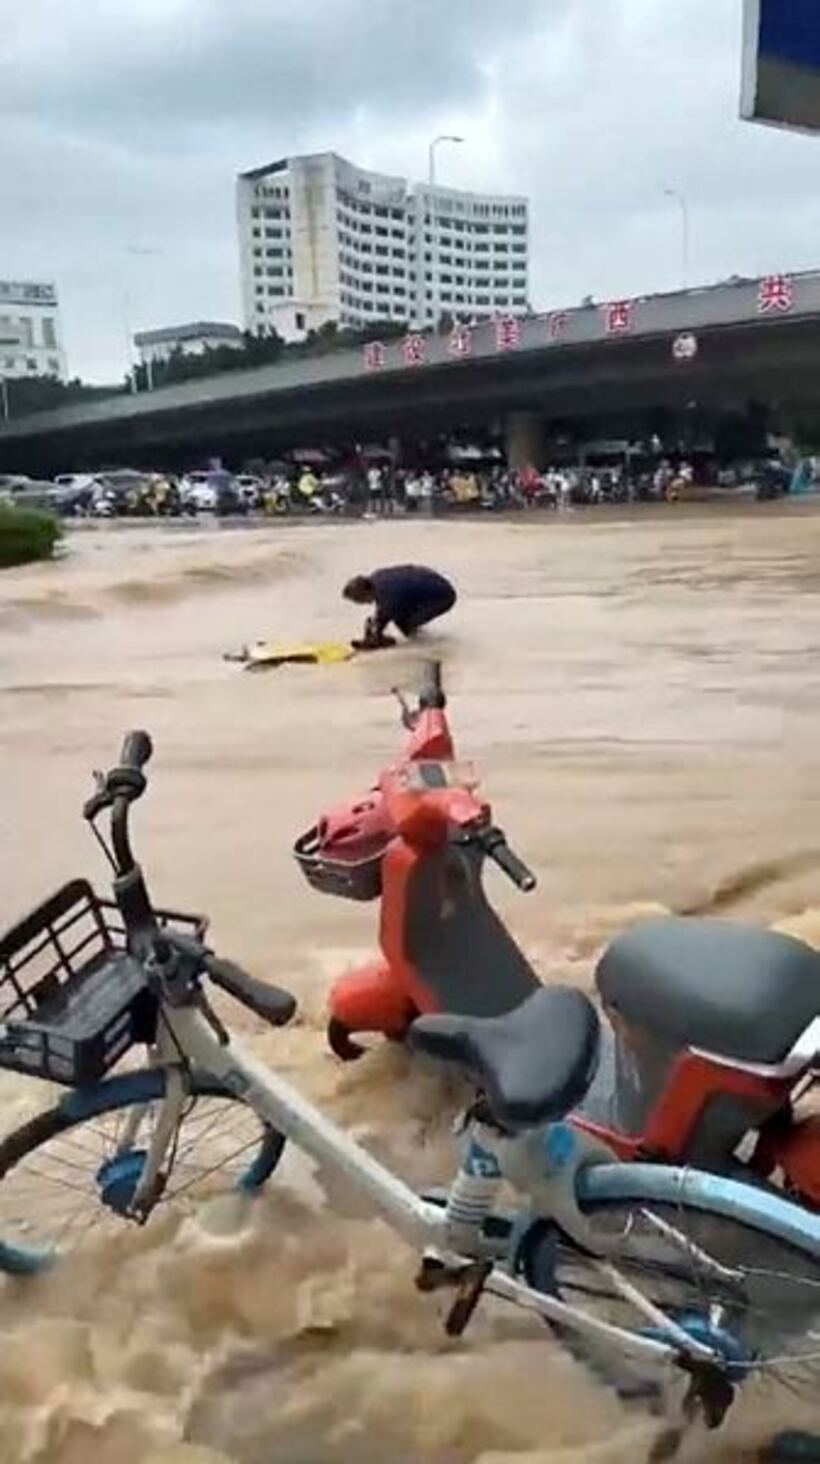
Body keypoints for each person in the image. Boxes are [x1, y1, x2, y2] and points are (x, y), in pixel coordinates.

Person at [343, 564, 457, 649]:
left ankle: (424, 643)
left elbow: (385, 614)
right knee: (400, 614)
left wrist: (374, 636)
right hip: (433, 583)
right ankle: (416, 634)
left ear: (365, 593)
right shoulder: (377, 577)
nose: (363, 604)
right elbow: (383, 611)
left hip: (443, 596)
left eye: (359, 600)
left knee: (404, 622)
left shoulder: (388, 595)